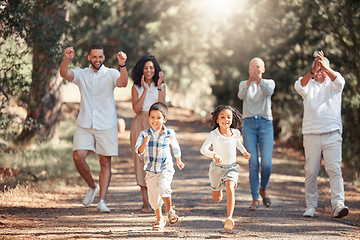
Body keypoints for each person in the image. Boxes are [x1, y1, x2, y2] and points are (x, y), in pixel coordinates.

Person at [60, 44, 128, 213]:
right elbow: (64, 74)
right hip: (85, 123)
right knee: (78, 157)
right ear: (89, 57)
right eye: (94, 57)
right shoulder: (82, 74)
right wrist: (66, 58)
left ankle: (102, 201)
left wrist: (122, 64)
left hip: (106, 124)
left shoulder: (111, 73)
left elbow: (123, 83)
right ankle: (92, 186)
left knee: (105, 162)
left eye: (100, 57)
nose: (97, 60)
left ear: (104, 58)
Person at [294, 50, 349, 218]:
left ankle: (338, 205)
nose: (319, 73)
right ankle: (310, 206)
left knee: (334, 170)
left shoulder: (334, 84)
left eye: (322, 69)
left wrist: (325, 68)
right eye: (316, 69)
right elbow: (299, 85)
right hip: (311, 135)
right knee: (311, 171)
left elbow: (340, 80)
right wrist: (312, 71)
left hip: (332, 134)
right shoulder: (307, 85)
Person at [135, 102, 185, 231]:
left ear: (164, 119)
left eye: (158, 117)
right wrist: (144, 143)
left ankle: (169, 210)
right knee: (153, 198)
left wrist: (178, 160)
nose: (155, 120)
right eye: (152, 117)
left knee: (163, 187)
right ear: (148, 118)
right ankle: (159, 218)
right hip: (151, 170)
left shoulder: (169, 133)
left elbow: (175, 147)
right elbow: (138, 151)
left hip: (165, 167)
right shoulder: (143, 134)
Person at [200, 105, 251, 231]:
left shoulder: (236, 133)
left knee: (230, 188)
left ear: (232, 119)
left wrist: (244, 152)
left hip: (231, 168)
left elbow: (237, 143)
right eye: (222, 117)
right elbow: (203, 149)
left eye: (229, 117)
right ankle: (219, 189)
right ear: (217, 120)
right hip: (217, 168)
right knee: (216, 198)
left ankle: (229, 217)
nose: (226, 119)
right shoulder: (214, 134)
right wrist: (214, 155)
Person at [237, 57, 275, 210]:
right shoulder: (243, 84)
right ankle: (254, 198)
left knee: (266, 164)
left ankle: (263, 188)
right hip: (249, 125)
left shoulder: (269, 82)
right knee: (253, 162)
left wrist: (259, 79)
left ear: (263, 69)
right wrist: (249, 81)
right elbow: (241, 96)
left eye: (258, 67)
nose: (255, 69)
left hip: (266, 124)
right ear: (248, 70)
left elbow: (268, 92)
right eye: (252, 67)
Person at [129, 55, 166, 213]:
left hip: (157, 124)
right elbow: (136, 109)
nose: (149, 70)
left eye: (151, 67)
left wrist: (158, 87)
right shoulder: (136, 87)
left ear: (155, 69)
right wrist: (144, 89)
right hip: (140, 122)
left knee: (157, 161)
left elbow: (163, 107)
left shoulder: (162, 85)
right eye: (146, 68)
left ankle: (156, 201)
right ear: (141, 70)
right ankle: (145, 202)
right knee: (141, 162)